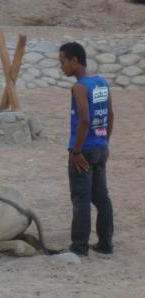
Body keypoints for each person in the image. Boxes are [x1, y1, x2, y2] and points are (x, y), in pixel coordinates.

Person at [59, 42, 114, 256]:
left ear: (74, 60)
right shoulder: (101, 82)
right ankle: (105, 244)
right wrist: (104, 142)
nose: (61, 67)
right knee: (102, 198)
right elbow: (110, 115)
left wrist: (76, 151)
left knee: (81, 199)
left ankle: (79, 247)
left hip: (84, 149)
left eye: (63, 61)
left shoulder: (79, 87)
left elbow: (84, 120)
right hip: (100, 147)